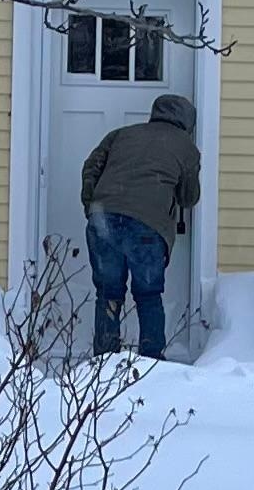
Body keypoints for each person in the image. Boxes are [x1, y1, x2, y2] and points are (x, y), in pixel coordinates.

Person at [78, 89, 198, 358]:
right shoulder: (186, 148)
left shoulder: (121, 134)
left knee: (108, 294)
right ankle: (151, 362)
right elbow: (189, 198)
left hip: (103, 220)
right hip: (148, 227)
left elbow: (91, 166)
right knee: (148, 296)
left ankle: (104, 361)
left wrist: (92, 207)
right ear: (187, 122)